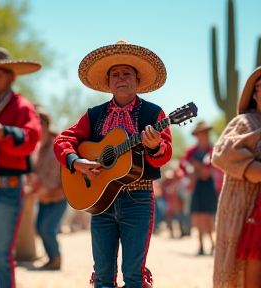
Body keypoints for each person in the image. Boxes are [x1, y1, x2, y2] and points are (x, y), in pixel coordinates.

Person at [54, 40, 173, 288]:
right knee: (103, 275)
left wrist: (153, 146)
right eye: (115, 74)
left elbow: (165, 153)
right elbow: (63, 140)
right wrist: (77, 162)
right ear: (108, 83)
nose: (121, 78)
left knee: (133, 274)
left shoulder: (154, 114)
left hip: (138, 201)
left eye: (127, 73)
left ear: (137, 80)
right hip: (101, 202)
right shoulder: (94, 115)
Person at [0, 47, 42, 288]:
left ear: (10, 77)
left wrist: (2, 132)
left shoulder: (22, 106)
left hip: (7, 189)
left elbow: (31, 139)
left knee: (2, 256)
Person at [211, 66, 261, 288]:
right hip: (245, 208)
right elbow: (222, 155)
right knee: (248, 263)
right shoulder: (245, 123)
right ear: (254, 94)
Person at [27, 104, 68, 270]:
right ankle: (52, 259)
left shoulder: (55, 145)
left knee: (47, 228)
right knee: (40, 227)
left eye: (40, 121)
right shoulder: (39, 146)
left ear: (46, 123)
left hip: (58, 196)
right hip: (45, 197)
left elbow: (54, 177)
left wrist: (34, 190)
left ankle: (55, 260)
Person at [179, 121, 218, 255]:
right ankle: (201, 245)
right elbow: (183, 165)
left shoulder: (213, 150)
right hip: (196, 186)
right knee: (197, 216)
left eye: (204, 133)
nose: (203, 136)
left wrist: (199, 168)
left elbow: (211, 171)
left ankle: (212, 243)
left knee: (207, 217)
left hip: (208, 187)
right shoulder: (192, 151)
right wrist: (193, 170)